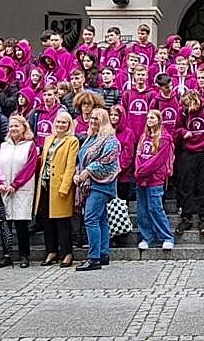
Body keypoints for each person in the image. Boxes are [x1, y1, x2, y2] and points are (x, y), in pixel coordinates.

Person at [73, 107, 122, 271]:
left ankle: (93, 257)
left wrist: (88, 171)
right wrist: (78, 172)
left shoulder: (110, 140)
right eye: (91, 118)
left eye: (97, 119)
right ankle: (103, 253)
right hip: (89, 184)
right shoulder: (89, 138)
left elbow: (107, 161)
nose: (93, 121)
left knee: (91, 218)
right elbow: (82, 159)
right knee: (101, 220)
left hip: (102, 184)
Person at [0, 115, 39, 267]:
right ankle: (6, 254)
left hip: (21, 190)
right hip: (3, 189)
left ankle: (24, 255)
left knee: (21, 223)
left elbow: (29, 168)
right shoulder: (3, 146)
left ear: (24, 128)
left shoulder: (30, 146)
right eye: (11, 126)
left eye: (16, 126)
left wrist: (15, 184)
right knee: (5, 224)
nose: (13, 129)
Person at [132, 109, 176, 252]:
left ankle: (166, 237)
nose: (149, 120)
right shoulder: (144, 136)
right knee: (142, 210)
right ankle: (147, 237)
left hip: (154, 179)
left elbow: (158, 160)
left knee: (155, 208)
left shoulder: (165, 138)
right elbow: (138, 155)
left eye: (153, 117)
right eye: (148, 117)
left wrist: (142, 171)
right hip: (141, 179)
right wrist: (138, 170)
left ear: (159, 120)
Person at [172, 90, 204, 235]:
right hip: (188, 152)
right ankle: (186, 217)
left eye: (189, 104)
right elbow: (177, 127)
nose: (187, 107)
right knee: (186, 184)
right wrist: (184, 132)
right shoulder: (183, 111)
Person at [40, 112, 80, 267]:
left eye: (64, 123)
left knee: (62, 221)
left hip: (60, 184)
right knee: (47, 220)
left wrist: (65, 186)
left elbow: (71, 165)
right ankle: (52, 251)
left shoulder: (72, 141)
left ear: (69, 125)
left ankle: (67, 253)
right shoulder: (49, 139)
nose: (60, 125)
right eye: (58, 122)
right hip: (45, 183)